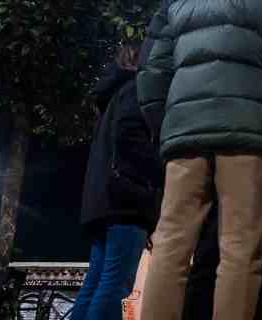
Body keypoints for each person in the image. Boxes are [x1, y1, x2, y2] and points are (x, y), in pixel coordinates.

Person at [137, 0, 262, 320]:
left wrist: (166, 127)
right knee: (240, 249)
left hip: (184, 136)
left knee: (171, 244)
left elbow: (151, 72)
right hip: (251, 135)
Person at [72, 43, 160, 320]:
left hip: (101, 201)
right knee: (116, 283)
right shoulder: (136, 89)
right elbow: (130, 136)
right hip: (127, 199)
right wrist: (162, 168)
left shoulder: (111, 97)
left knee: (95, 283)